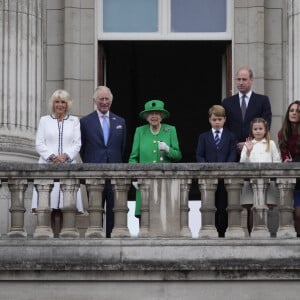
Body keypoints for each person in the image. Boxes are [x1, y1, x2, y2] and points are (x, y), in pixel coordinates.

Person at [31, 89, 84, 236]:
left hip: (67, 165)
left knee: (65, 205)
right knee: (49, 204)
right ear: (52, 104)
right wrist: (52, 156)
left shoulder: (74, 121)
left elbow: (77, 143)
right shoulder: (44, 120)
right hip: (47, 166)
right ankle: (51, 236)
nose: (60, 105)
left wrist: (65, 156)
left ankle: (64, 236)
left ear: (67, 105)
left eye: (63, 102)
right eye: (57, 102)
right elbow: (39, 143)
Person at [80, 86, 127, 237]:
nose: (104, 102)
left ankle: (111, 240)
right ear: (95, 101)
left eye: (107, 99)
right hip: (94, 174)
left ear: (111, 102)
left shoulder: (120, 121)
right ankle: (96, 239)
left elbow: (122, 148)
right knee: (95, 209)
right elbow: (82, 147)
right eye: (101, 99)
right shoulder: (85, 122)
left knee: (115, 209)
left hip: (114, 175)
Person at [128, 99, 182, 219]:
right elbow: (133, 158)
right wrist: (134, 178)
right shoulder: (140, 131)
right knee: (144, 216)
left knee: (165, 215)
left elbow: (178, 155)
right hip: (144, 182)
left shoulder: (170, 130)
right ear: (146, 116)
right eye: (151, 114)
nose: (154, 116)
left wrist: (168, 150)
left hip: (165, 181)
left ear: (162, 116)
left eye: (157, 113)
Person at [196, 105, 237, 237]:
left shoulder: (231, 136)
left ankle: (222, 233)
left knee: (223, 207)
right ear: (209, 120)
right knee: (209, 206)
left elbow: (233, 154)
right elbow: (199, 155)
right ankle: (210, 232)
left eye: (219, 119)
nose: (217, 122)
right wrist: (207, 169)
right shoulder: (203, 137)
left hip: (225, 179)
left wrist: (226, 169)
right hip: (209, 179)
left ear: (224, 119)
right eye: (214, 119)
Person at [240, 118, 281, 235]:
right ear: (252, 131)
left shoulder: (271, 144)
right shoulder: (248, 144)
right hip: (251, 181)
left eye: (260, 129)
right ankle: (253, 234)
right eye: (255, 129)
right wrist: (248, 151)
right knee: (252, 209)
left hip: (267, 181)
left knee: (264, 208)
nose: (258, 131)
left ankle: (263, 232)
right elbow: (242, 163)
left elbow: (277, 161)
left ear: (265, 130)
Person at [222, 66, 272, 155]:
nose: (241, 83)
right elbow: (225, 127)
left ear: (251, 80)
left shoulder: (262, 100)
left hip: (256, 150)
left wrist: (249, 143)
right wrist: (235, 144)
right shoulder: (227, 102)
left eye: (244, 79)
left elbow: (266, 125)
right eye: (238, 79)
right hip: (233, 150)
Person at [278, 100, 300, 237]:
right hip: (292, 178)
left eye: (298, 111)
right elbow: (284, 153)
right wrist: (286, 160)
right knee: (295, 213)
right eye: (292, 110)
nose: (294, 113)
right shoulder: (283, 133)